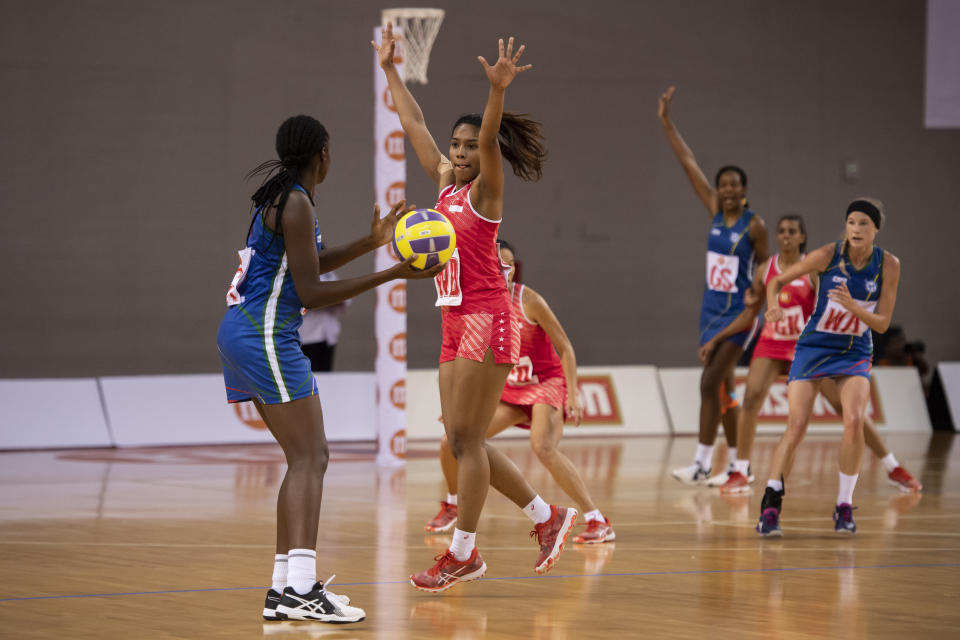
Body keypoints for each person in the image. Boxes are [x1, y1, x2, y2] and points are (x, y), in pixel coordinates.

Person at [216, 115, 442, 621]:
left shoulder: (286, 198)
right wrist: (393, 273)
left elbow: (309, 268)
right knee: (312, 457)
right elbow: (313, 293)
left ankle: (283, 589)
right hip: (264, 333)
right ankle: (301, 588)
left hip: (244, 331)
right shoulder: (294, 202)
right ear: (322, 154)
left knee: (302, 458)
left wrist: (372, 242)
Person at [374, 26, 577, 592]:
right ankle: (546, 517)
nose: (461, 152)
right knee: (465, 441)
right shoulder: (443, 185)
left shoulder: (487, 191)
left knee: (465, 441)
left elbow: (491, 141)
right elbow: (414, 124)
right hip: (453, 318)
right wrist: (391, 70)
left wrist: (497, 92)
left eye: (467, 146)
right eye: (456, 146)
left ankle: (464, 552)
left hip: (489, 317)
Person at [698, 215, 921, 494]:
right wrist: (720, 335)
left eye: (792, 231)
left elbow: (833, 307)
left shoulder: (815, 268)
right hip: (772, 344)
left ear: (802, 237)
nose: (786, 236)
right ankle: (741, 471)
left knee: (847, 410)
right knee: (752, 395)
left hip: (806, 348)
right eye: (781, 231)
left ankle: (892, 466)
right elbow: (750, 311)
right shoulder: (765, 269)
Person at [424, 240, 615, 544]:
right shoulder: (477, 304)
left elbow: (565, 348)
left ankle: (597, 519)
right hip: (510, 390)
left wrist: (574, 395)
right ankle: (451, 503)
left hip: (545, 383)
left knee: (543, 446)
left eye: (510, 263)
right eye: (499, 262)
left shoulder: (529, 300)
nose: (506, 268)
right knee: (452, 440)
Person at [755, 198, 901, 536]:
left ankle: (844, 506)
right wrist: (773, 307)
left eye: (864, 223)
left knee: (853, 421)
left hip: (854, 351)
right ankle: (771, 503)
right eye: (852, 222)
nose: (856, 229)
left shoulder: (888, 265)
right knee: (797, 425)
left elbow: (881, 324)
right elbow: (775, 282)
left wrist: (853, 307)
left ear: (875, 229)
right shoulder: (827, 256)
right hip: (814, 348)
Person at [658, 86, 769, 485]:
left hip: (739, 315)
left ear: (744, 190)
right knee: (723, 392)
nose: (726, 190)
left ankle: (704, 462)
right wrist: (667, 122)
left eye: (734, 185)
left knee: (708, 384)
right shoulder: (713, 211)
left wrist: (759, 301)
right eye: (722, 184)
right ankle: (740, 466)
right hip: (710, 311)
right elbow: (688, 163)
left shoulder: (754, 226)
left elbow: (764, 270)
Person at [299, 270, 348, 372]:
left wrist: (325, 300)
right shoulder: (298, 270)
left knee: (325, 376)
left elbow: (345, 297)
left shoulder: (328, 271)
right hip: (307, 337)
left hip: (327, 335)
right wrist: (328, 300)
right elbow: (303, 303)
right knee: (310, 376)